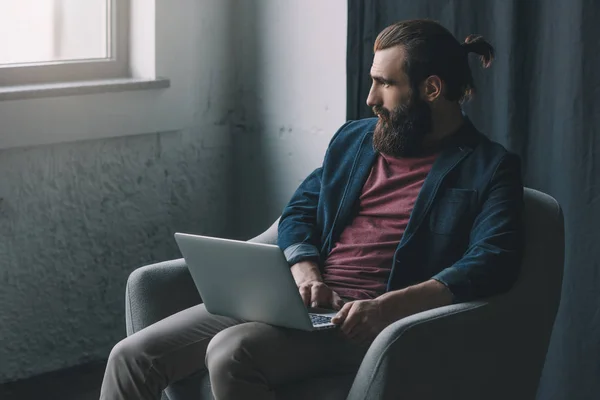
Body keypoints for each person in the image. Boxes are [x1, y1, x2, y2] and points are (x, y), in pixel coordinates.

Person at [100, 19, 524, 400]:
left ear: (431, 89)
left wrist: (388, 306)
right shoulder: (355, 141)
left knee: (231, 352)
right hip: (300, 300)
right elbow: (301, 210)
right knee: (131, 356)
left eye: (385, 83)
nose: (371, 98)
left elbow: (493, 259)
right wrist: (306, 272)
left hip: (364, 323)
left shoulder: (489, 167)